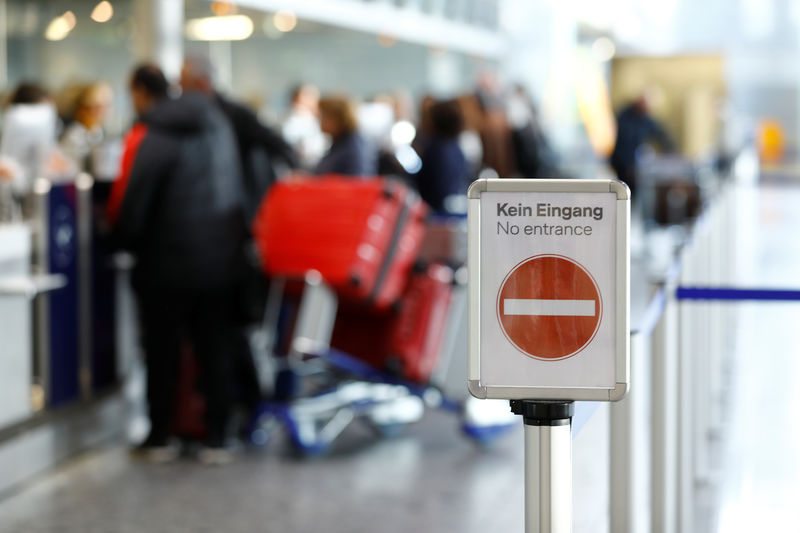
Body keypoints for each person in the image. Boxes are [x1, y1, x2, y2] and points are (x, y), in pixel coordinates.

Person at [112, 64, 245, 465]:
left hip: (165, 259)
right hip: (220, 257)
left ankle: (160, 435)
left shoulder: (154, 131)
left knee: (162, 350)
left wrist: (122, 240)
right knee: (213, 347)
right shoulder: (219, 125)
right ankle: (218, 436)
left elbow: (135, 197)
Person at [180, 56, 296, 224]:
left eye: (184, 83)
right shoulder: (189, 116)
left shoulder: (235, 114)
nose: (181, 89)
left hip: (234, 206)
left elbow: (277, 143)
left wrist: (296, 175)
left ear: (202, 82)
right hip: (203, 207)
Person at [610, 94, 675, 197]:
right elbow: (623, 145)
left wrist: (671, 152)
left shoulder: (645, 118)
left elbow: (660, 134)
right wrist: (628, 166)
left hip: (634, 166)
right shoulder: (624, 118)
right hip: (621, 164)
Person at [415, 99, 469, 212]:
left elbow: (436, 189)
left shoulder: (437, 149)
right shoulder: (456, 147)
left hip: (437, 211)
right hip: (452, 206)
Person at [315, 95, 376, 176]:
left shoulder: (353, 147)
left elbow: (357, 181)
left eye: (324, 117)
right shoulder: (339, 142)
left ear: (338, 118)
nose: (320, 121)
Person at [59, 82, 113, 172]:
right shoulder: (74, 136)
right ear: (84, 108)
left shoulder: (96, 132)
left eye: (107, 106)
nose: (104, 111)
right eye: (98, 107)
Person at [282, 83, 326, 171]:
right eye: (311, 97)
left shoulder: (306, 118)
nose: (316, 101)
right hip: (304, 168)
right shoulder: (300, 119)